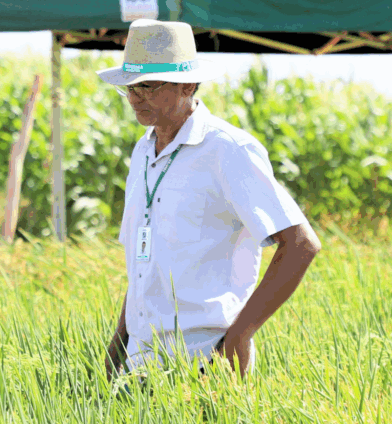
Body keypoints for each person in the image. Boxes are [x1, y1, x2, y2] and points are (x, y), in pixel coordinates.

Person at [99, 19, 321, 379]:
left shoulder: (228, 149)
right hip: (139, 366)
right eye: (130, 87)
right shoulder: (142, 151)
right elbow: (145, 262)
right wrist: (118, 345)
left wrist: (240, 336)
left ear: (187, 85)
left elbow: (301, 244)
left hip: (205, 363)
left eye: (148, 86)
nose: (136, 98)